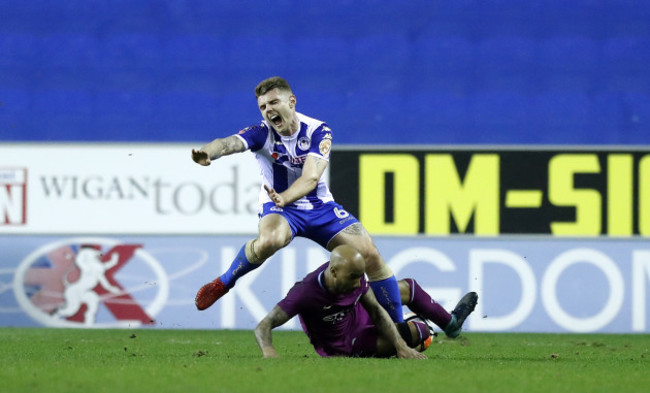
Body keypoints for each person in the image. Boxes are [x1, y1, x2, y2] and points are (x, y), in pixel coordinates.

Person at [193, 76, 406, 322]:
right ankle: (224, 282)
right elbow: (228, 143)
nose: (268, 110)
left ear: (291, 101)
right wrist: (209, 152)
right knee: (269, 240)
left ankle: (398, 329)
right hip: (279, 208)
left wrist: (285, 196)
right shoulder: (261, 133)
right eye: (263, 107)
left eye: (273, 102)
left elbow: (311, 178)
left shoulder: (319, 130)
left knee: (369, 254)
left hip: (318, 207)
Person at [254, 245, 478, 358]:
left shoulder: (354, 277)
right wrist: (269, 350)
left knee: (408, 288)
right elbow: (263, 325)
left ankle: (452, 324)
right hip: (347, 342)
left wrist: (400, 346)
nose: (357, 283)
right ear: (333, 271)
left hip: (360, 314)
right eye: (353, 278)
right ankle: (415, 328)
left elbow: (376, 310)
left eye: (360, 277)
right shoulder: (304, 293)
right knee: (421, 332)